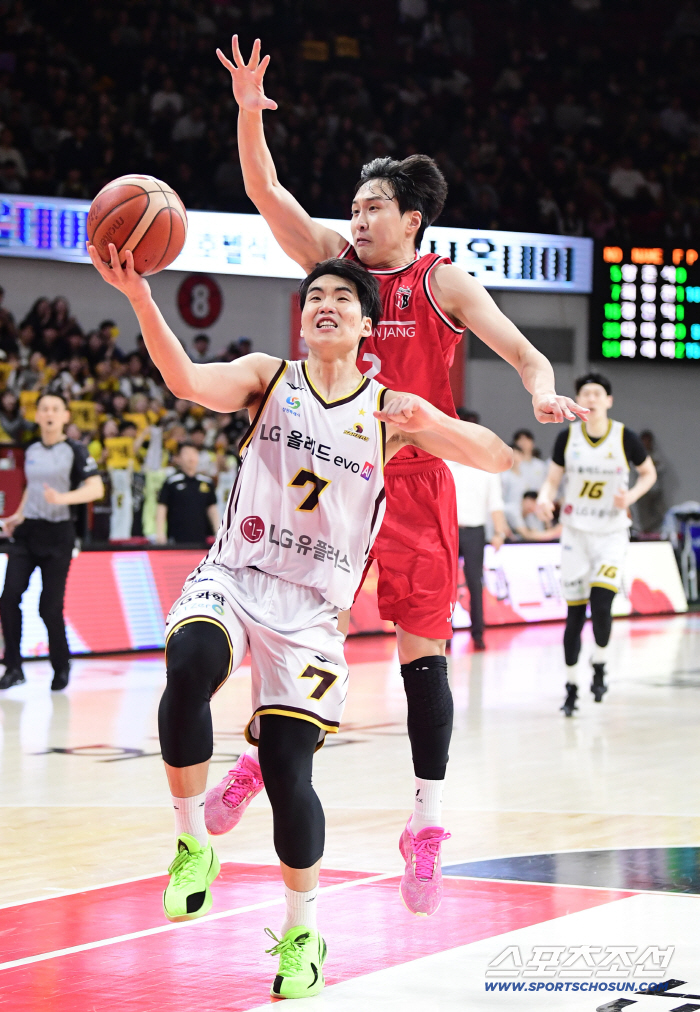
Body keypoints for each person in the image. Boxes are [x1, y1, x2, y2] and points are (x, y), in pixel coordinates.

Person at [215, 36, 588, 909]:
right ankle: (253, 764)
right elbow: (266, 191)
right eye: (354, 203)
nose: (358, 215)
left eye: (373, 205)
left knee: (423, 661)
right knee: (294, 637)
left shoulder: (439, 282)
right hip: (328, 483)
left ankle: (424, 826)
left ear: (412, 218)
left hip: (417, 481)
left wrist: (542, 392)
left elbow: (523, 350)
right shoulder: (333, 271)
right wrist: (246, 112)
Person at [87, 241, 512, 997]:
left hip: (313, 615)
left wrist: (433, 420)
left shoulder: (388, 412)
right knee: (187, 667)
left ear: (364, 326)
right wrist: (141, 299)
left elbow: (494, 456)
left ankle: (302, 929)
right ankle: (193, 844)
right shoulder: (267, 377)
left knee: (288, 769)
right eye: (315, 296)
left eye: (342, 299)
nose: (325, 304)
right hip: (235, 575)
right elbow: (185, 380)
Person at [537, 373, 657, 716]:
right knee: (574, 615)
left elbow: (648, 473)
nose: (590, 397)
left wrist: (630, 495)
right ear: (577, 401)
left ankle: (600, 662)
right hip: (575, 532)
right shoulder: (567, 437)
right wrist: (546, 500)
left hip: (611, 533)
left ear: (608, 400)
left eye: (597, 393)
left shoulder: (624, 437)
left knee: (602, 604)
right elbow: (551, 481)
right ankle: (572, 686)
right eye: (584, 393)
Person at [0, 393, 103, 691]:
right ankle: (14, 667)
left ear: (65, 416)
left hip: (59, 535)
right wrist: (17, 516)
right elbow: (32, 490)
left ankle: (61, 665)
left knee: (49, 607)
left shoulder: (76, 450)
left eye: (55, 409)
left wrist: (63, 498)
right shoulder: (31, 449)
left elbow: (95, 488)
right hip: (27, 533)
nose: (49, 413)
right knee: (8, 598)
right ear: (37, 415)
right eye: (44, 408)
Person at [446, 408, 508, 650]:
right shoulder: (443, 462)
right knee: (446, 585)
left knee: (474, 581)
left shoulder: (485, 465)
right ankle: (445, 632)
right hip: (448, 530)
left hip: (474, 531)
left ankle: (478, 632)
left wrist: (499, 532)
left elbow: (496, 503)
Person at [156, 443, 219, 545]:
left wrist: (218, 532)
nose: (191, 456)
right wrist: (160, 533)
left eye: (194, 453)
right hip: (176, 539)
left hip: (201, 538)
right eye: (186, 453)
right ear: (178, 458)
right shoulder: (171, 482)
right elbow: (162, 507)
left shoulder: (207, 482)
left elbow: (212, 509)